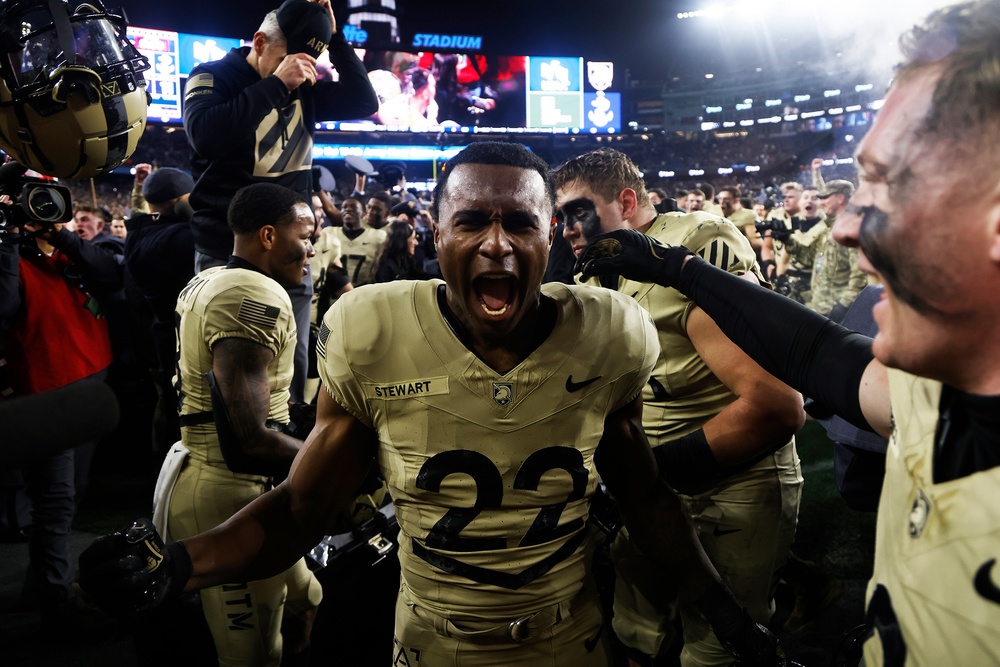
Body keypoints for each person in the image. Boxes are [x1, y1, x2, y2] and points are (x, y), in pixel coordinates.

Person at [79, 142, 786, 667]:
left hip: (572, 638)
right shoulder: (371, 333)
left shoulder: (609, 331)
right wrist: (182, 562)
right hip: (431, 645)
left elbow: (648, 499)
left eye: (520, 223)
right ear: (437, 235)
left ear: (550, 239)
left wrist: (723, 609)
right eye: (472, 220)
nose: (498, 243)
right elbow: (302, 507)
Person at [573, 2, 1000, 661]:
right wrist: (680, 268)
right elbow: (818, 352)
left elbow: (781, 396)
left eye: (884, 183)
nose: (846, 225)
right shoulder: (932, 396)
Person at [555, 148, 804, 666]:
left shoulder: (691, 245)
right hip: (650, 490)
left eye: (578, 211)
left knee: (718, 648)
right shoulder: (594, 275)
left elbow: (775, 406)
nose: (567, 230)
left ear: (626, 202)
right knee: (639, 630)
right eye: (560, 217)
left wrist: (650, 475)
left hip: (732, 480)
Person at [183, 0, 378, 404]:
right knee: (229, 362)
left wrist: (336, 39)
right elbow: (205, 135)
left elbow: (364, 102)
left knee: (290, 362)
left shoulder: (305, 86)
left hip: (290, 249)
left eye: (311, 60)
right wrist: (277, 84)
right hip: (227, 246)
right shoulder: (213, 74)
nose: (304, 70)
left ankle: (288, 445)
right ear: (258, 42)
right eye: (292, 59)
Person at [166, 183, 322, 666]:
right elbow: (248, 440)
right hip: (229, 490)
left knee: (305, 600)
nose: (312, 246)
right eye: (306, 233)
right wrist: (332, 460)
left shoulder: (214, 278)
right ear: (270, 236)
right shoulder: (249, 294)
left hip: (231, 478)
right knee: (252, 653)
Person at [123, 167, 197, 462]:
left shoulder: (138, 234)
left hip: (160, 334)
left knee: (169, 404)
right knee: (183, 412)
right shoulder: (179, 238)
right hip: (182, 337)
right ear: (181, 200)